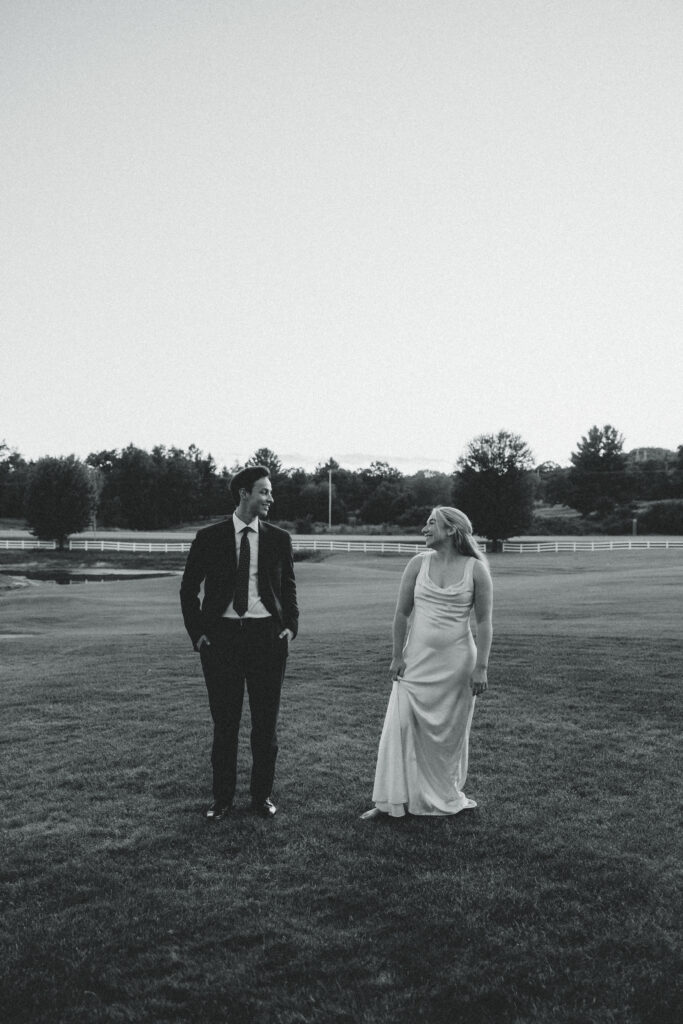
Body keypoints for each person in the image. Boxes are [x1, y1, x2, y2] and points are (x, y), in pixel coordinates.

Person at [180, 465, 298, 820]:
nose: (270, 498)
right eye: (264, 491)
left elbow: (289, 586)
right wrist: (198, 632)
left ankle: (261, 797)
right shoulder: (209, 537)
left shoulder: (279, 538)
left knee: (265, 724)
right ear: (244, 493)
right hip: (222, 640)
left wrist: (290, 625)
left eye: (270, 492)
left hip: (267, 638)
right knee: (225, 724)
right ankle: (222, 799)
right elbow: (188, 589)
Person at [361, 506, 492, 819]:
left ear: (451, 530)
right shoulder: (417, 564)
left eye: (431, 523)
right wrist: (397, 655)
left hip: (458, 665)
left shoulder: (476, 569)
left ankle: (442, 795)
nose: (424, 529)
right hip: (416, 661)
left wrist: (482, 667)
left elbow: (485, 621)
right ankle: (390, 802)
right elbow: (401, 614)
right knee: (400, 725)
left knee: (448, 735)